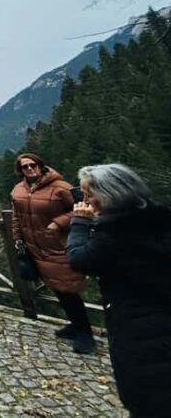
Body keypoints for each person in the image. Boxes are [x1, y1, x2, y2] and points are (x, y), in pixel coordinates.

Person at [66, 164, 171, 417]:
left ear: (110, 194)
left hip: (140, 328)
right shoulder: (160, 218)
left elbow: (79, 260)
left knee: (147, 397)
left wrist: (79, 223)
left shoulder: (113, 234)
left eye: (88, 194)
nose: (85, 200)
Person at [9, 153, 94, 353]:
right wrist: (17, 238)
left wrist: (59, 222)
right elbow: (16, 216)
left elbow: (83, 207)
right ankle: (75, 325)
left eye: (32, 165)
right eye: (24, 167)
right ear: (20, 170)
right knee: (58, 289)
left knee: (68, 289)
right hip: (35, 248)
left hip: (59, 246)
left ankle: (85, 335)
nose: (29, 169)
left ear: (41, 165)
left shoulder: (60, 187)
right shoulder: (18, 190)